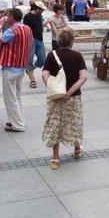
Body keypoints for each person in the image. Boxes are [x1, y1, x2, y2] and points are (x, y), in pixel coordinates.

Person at [41, 28, 88, 170]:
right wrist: (70, 91)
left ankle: (55, 158)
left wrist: (53, 89)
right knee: (74, 122)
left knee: (56, 124)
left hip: (56, 97)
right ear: (72, 41)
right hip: (73, 98)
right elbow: (84, 77)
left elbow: (44, 74)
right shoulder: (77, 56)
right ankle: (77, 149)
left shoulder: (52, 55)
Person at [0, 8, 33, 132]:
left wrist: (0, 25)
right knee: (17, 96)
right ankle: (19, 121)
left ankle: (18, 125)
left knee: (10, 98)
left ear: (11, 17)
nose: (6, 18)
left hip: (10, 67)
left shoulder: (12, 30)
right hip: (21, 66)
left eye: (7, 16)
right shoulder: (27, 28)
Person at [24, 1, 46, 88]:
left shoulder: (40, 16)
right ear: (37, 8)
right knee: (30, 59)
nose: (43, 11)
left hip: (40, 40)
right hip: (31, 40)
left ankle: (30, 70)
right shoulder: (28, 17)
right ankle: (32, 79)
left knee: (42, 59)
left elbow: (40, 25)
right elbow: (25, 29)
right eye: (42, 9)